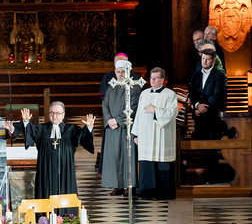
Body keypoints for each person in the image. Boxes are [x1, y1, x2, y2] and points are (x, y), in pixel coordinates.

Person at [21, 101, 94, 211]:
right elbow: (30, 134)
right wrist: (26, 122)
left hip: (65, 171)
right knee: (45, 194)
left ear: (63, 115)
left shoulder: (71, 129)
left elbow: (83, 137)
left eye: (58, 113)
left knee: (66, 193)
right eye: (52, 113)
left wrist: (89, 128)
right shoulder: (41, 129)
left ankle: (68, 217)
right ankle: (44, 218)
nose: (54, 116)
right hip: (45, 172)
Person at [132, 67, 178, 200]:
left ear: (162, 80)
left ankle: (163, 193)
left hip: (161, 136)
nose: (152, 80)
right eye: (151, 78)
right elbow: (138, 115)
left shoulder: (170, 94)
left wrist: (155, 111)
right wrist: (136, 134)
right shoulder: (144, 94)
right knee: (147, 163)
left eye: (155, 78)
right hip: (145, 135)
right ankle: (146, 192)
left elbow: (172, 113)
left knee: (161, 163)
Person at [101, 58, 141, 195]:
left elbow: (133, 107)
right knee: (114, 157)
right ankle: (117, 185)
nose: (121, 75)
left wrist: (117, 120)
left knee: (127, 157)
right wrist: (109, 120)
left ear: (129, 72)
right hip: (112, 128)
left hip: (126, 128)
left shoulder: (135, 87)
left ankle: (130, 185)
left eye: (123, 72)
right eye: (118, 72)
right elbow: (105, 104)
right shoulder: (112, 86)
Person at [189, 45, 227, 140]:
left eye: (207, 59)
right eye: (203, 59)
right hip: (198, 118)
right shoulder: (196, 75)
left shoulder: (219, 75)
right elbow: (192, 93)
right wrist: (197, 106)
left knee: (211, 145)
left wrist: (202, 107)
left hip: (212, 117)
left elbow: (216, 95)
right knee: (199, 143)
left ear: (213, 61)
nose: (204, 61)